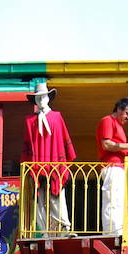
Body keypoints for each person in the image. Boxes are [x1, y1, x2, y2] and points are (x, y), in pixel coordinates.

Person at [21, 82, 76, 237]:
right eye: (38, 98)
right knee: (39, 201)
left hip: (54, 164)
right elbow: (27, 145)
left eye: (43, 97)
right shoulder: (29, 121)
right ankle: (45, 231)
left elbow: (64, 139)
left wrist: (63, 162)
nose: (41, 100)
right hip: (37, 165)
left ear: (48, 97)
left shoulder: (57, 117)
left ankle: (64, 228)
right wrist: (27, 166)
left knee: (57, 198)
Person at [97, 97, 128, 237]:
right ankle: (111, 233)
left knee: (117, 200)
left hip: (118, 166)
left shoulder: (118, 126)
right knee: (112, 200)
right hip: (111, 165)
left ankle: (117, 231)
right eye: (127, 114)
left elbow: (116, 146)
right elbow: (106, 144)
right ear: (119, 109)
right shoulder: (107, 121)